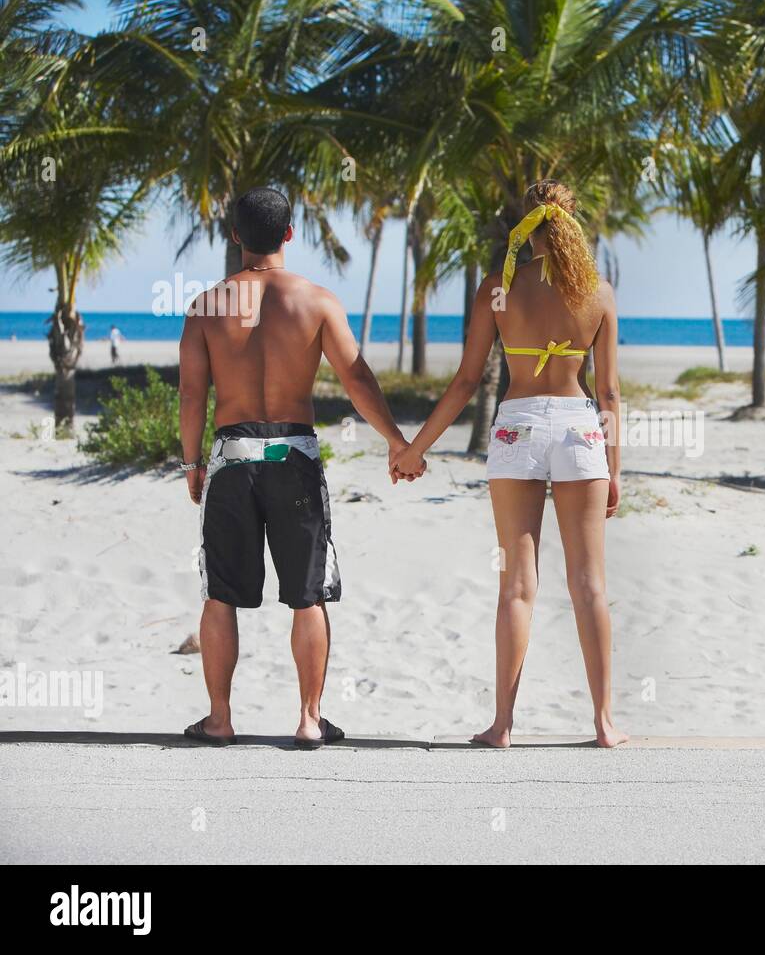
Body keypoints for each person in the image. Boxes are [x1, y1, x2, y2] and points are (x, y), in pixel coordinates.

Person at [178, 186, 424, 749]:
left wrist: (192, 463)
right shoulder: (317, 301)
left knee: (221, 593)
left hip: (233, 458)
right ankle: (311, 719)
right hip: (293, 456)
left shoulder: (207, 306)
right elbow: (357, 378)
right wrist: (397, 441)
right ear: (290, 234)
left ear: (235, 236)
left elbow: (193, 395)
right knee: (307, 594)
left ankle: (219, 719)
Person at [392, 180, 627, 748]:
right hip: (577, 427)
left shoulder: (497, 289)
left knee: (516, 587)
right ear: (570, 221)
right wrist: (615, 469)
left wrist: (415, 447)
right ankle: (604, 724)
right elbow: (612, 393)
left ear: (528, 221)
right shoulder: (598, 293)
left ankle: (502, 725)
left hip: (516, 426)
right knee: (590, 585)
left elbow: (467, 379)